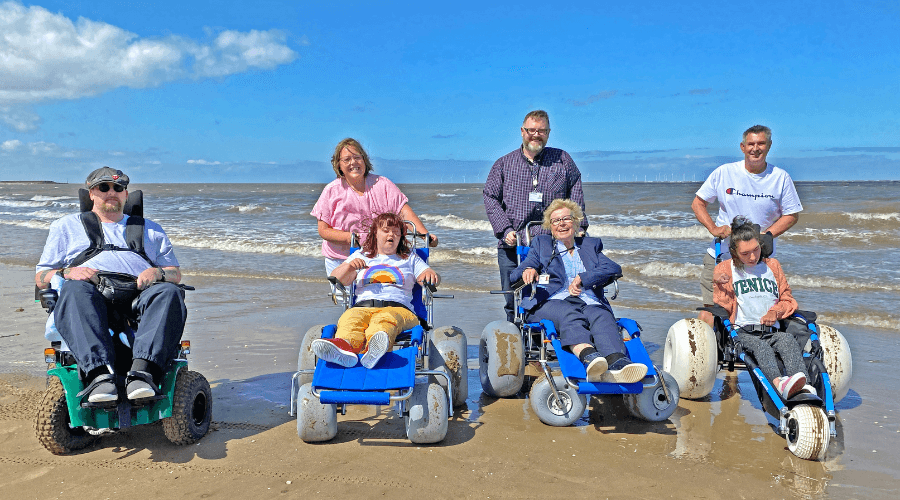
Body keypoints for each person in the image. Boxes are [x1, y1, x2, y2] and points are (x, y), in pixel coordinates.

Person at [35, 167, 187, 404]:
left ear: (126, 194)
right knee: (73, 288)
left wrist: (157, 272)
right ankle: (99, 376)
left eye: (118, 188)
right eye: (104, 187)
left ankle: (143, 373)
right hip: (91, 294)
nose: (111, 192)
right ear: (91, 194)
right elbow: (41, 276)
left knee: (169, 291)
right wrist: (67, 272)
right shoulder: (65, 227)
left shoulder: (152, 230)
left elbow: (174, 274)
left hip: (139, 295)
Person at [510, 199, 646, 383]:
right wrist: (529, 270)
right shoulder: (542, 244)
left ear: (575, 222)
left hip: (588, 301)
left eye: (566, 218)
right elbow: (515, 275)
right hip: (552, 302)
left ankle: (617, 363)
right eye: (556, 220)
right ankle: (589, 357)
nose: (561, 223)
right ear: (550, 226)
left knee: (602, 315)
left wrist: (584, 278)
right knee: (569, 313)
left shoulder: (589, 246)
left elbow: (613, 268)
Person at [692, 125, 803, 325]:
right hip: (721, 256)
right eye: (751, 144)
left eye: (761, 143)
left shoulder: (780, 178)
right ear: (742, 147)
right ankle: (706, 345)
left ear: (769, 146)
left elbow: (791, 215)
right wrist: (714, 229)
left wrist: (766, 235)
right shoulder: (724, 172)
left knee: (761, 312)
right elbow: (698, 203)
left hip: (759, 259)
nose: (755, 148)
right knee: (712, 311)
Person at [484, 110, 587, 322]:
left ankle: (550, 334)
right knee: (513, 301)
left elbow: (575, 191)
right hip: (513, 244)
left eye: (541, 131)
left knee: (551, 295)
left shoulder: (562, 160)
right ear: (522, 131)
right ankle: (514, 335)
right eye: (531, 130)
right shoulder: (504, 164)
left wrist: (579, 226)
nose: (536, 135)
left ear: (548, 133)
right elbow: (490, 196)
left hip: (552, 244)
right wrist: (505, 230)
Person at [312, 212, 440, 369]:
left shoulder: (410, 257)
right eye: (386, 231)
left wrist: (430, 275)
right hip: (362, 307)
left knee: (384, 320)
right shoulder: (362, 255)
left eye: (396, 232)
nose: (391, 234)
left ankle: (374, 350)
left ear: (401, 237)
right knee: (349, 320)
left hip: (399, 309)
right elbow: (336, 278)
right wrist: (349, 267)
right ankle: (344, 349)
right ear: (375, 234)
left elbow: (426, 275)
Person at [713, 217, 813, 399]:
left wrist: (775, 312)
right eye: (745, 253)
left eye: (756, 249)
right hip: (742, 332)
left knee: (787, 340)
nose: (752, 257)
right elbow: (723, 308)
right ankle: (779, 384)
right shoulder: (725, 269)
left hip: (772, 331)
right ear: (734, 252)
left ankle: (803, 385)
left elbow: (788, 300)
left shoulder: (773, 266)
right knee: (762, 348)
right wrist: (720, 285)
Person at [311, 138, 437, 276]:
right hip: (340, 259)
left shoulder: (383, 184)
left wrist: (425, 235)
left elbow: (403, 213)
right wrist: (348, 237)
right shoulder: (331, 190)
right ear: (339, 165)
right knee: (345, 290)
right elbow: (323, 230)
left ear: (364, 160)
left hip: (378, 257)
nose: (353, 162)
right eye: (347, 159)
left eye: (357, 157)